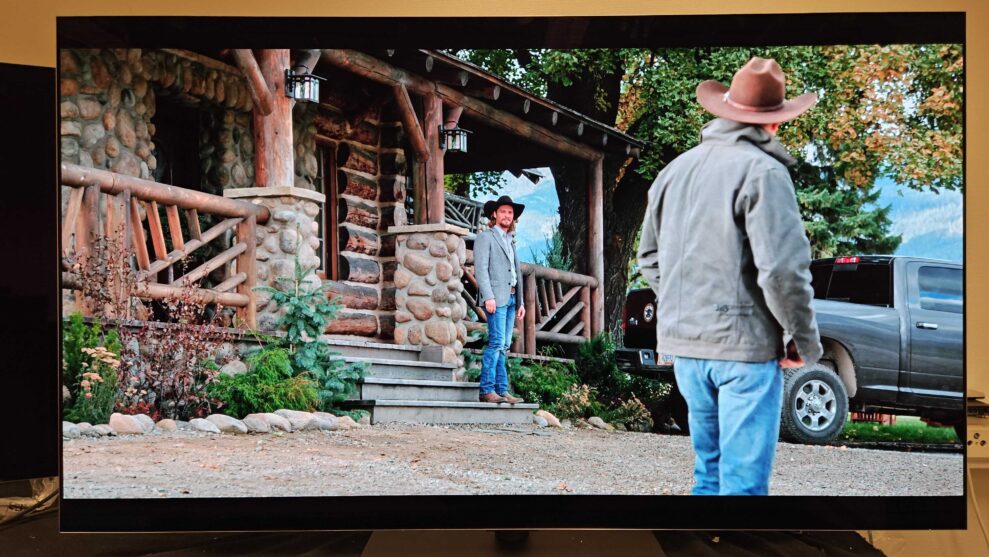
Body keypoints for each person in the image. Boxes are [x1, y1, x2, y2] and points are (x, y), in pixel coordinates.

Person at [636, 57, 824, 495]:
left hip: (687, 349)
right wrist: (802, 339)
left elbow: (649, 257)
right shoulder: (764, 172)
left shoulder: (673, 171)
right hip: (743, 349)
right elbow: (782, 271)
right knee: (743, 488)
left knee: (709, 474)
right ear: (773, 122)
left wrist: (688, 303)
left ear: (727, 110)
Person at [473, 195, 527, 404]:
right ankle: (487, 390)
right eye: (503, 211)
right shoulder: (485, 237)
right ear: (494, 214)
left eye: (510, 212)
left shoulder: (510, 239)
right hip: (496, 297)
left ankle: (502, 390)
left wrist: (520, 301)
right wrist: (488, 296)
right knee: (496, 343)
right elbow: (481, 269)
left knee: (504, 345)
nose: (507, 215)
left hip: (512, 298)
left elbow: (515, 272)